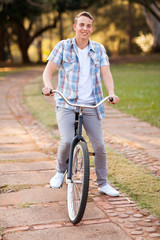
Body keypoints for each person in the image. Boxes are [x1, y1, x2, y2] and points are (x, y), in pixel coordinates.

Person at [42, 11, 120, 196]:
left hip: (91, 103)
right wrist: (47, 86)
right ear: (75, 27)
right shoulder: (63, 46)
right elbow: (48, 71)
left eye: (88, 26)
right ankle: (60, 171)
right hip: (66, 103)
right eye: (81, 25)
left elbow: (106, 73)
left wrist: (111, 93)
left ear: (92, 29)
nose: (85, 28)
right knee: (67, 140)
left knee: (99, 146)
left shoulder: (99, 49)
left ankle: (103, 183)